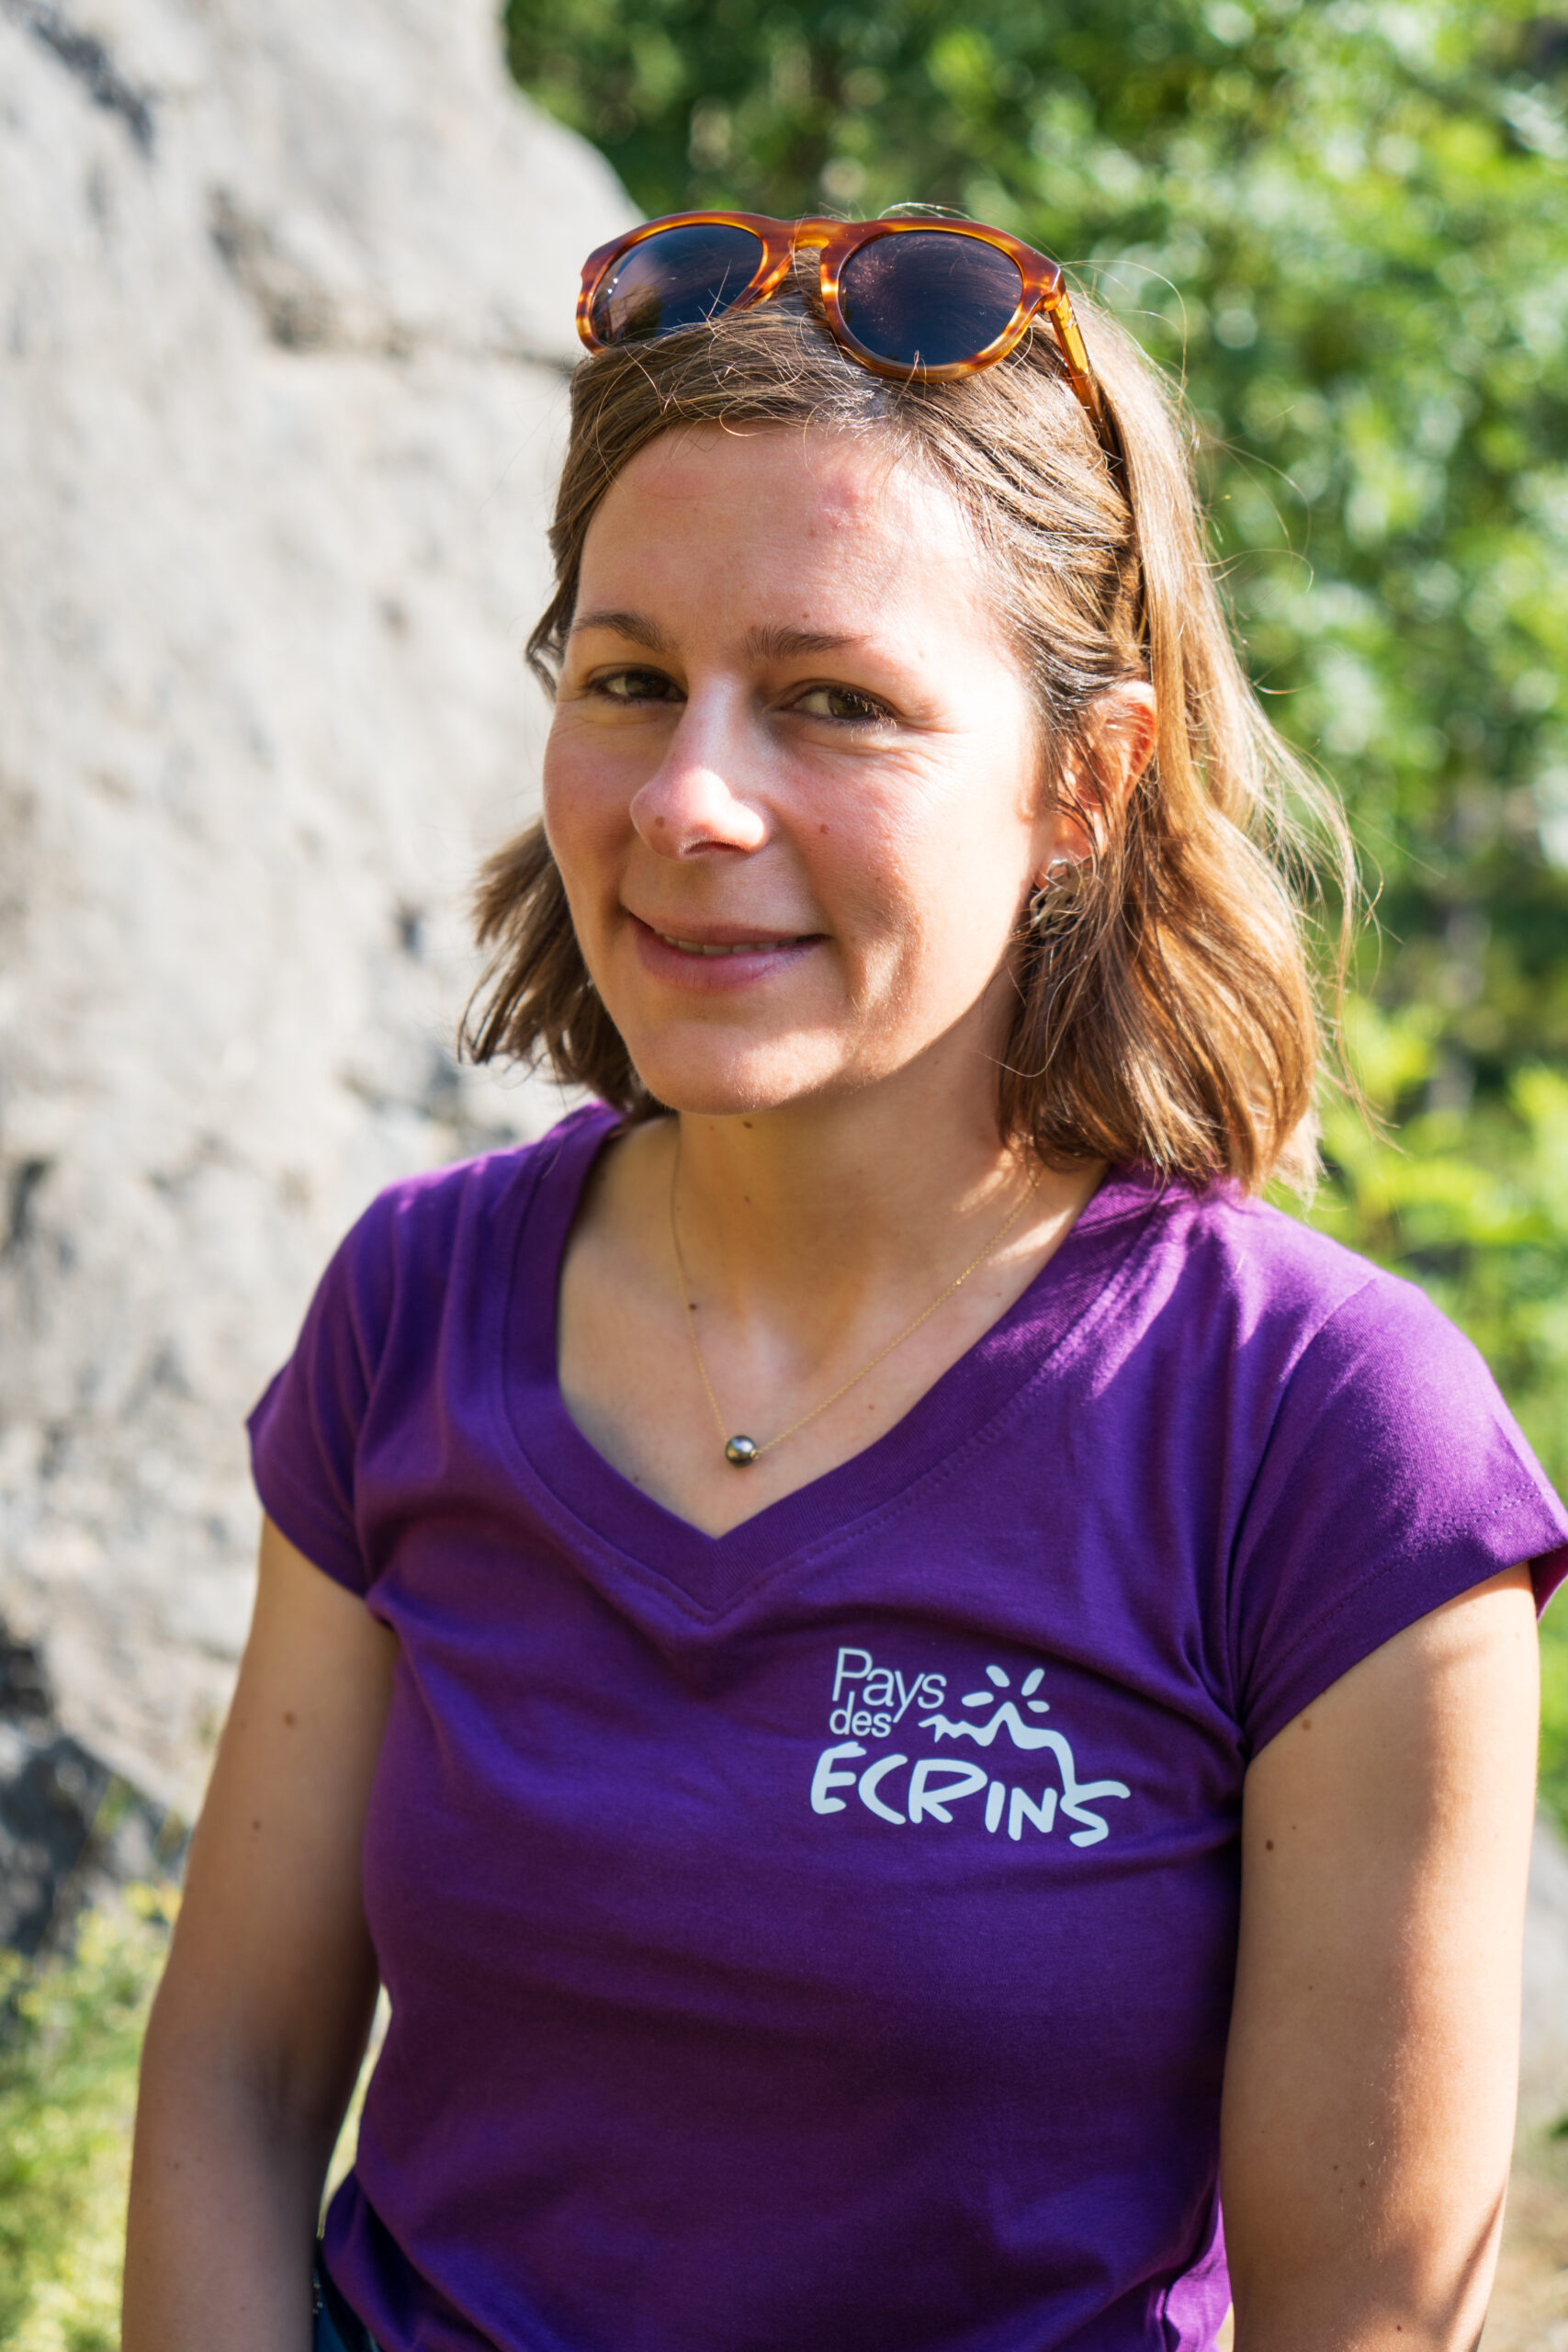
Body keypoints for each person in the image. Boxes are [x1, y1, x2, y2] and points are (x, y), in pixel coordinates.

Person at [123, 210, 1568, 2352]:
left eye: (831, 702)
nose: (691, 799)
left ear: (1082, 783)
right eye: (630, 680)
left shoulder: (1326, 1440)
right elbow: (235, 2077)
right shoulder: (416, 1306)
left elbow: (1358, 2315)